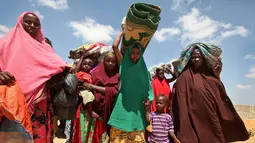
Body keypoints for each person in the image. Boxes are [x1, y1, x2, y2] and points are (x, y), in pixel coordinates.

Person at [0, 12, 67, 143]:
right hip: (11, 103)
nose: (32, 25)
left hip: (39, 102)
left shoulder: (44, 47)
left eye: (36, 24)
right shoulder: (5, 43)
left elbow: (59, 66)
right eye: (28, 22)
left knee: (37, 137)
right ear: (20, 23)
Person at [171, 43, 250, 143]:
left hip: (210, 116)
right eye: (193, 57)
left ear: (204, 58)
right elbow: (180, 102)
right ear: (189, 59)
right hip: (191, 117)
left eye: (199, 57)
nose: (196, 60)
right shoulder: (184, 78)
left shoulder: (210, 77)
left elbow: (220, 95)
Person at [108, 31, 153, 143]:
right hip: (122, 105)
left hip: (137, 107)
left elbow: (147, 89)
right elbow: (114, 46)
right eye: (132, 52)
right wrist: (124, 31)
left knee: (136, 136)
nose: (135, 55)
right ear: (128, 52)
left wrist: (148, 102)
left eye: (138, 53)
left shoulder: (143, 70)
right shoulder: (123, 63)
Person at [70, 52, 119, 143]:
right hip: (87, 111)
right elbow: (83, 88)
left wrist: (93, 87)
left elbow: (114, 91)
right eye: (107, 61)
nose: (110, 63)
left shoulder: (117, 76)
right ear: (103, 62)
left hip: (104, 114)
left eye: (113, 62)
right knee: (83, 137)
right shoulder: (94, 74)